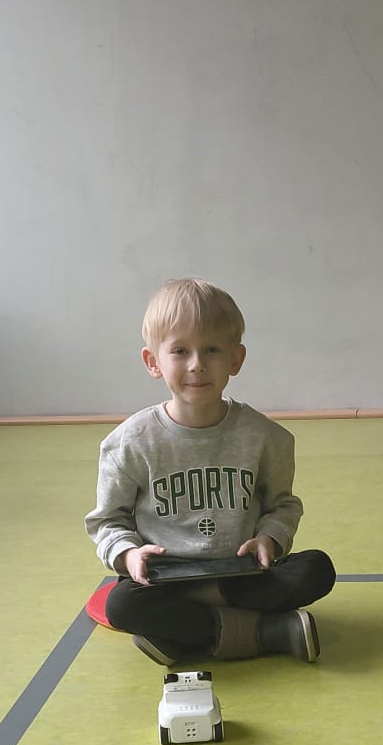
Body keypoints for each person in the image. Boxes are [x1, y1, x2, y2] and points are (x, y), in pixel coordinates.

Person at [86, 279, 336, 664]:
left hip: (241, 576)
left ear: (236, 359)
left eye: (212, 350)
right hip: (167, 581)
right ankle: (265, 633)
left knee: (316, 569)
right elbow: (108, 521)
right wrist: (129, 555)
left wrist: (269, 539)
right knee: (122, 603)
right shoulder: (130, 442)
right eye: (180, 351)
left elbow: (282, 506)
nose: (197, 364)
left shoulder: (266, 437)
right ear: (153, 361)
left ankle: (184, 635)